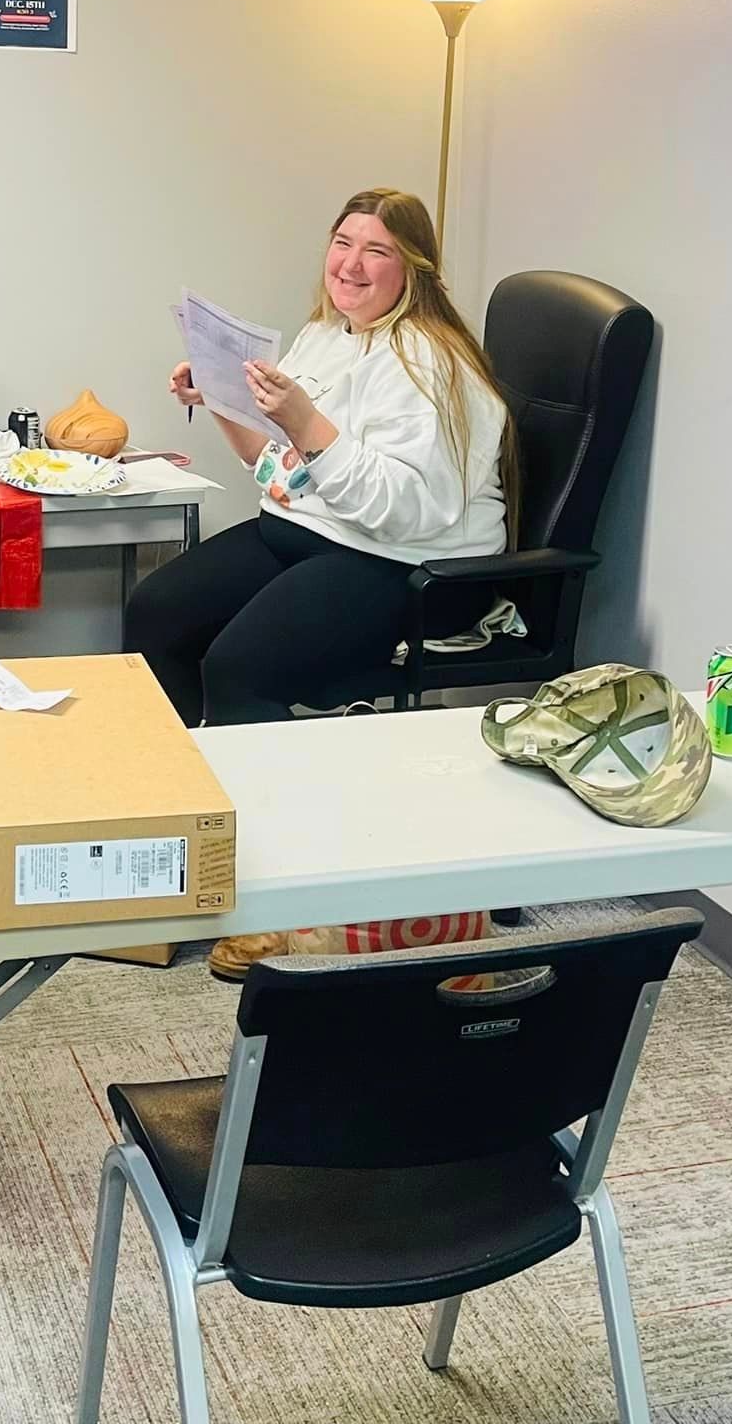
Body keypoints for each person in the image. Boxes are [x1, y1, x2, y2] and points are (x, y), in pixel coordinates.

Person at [127, 186, 518, 977]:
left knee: (240, 669)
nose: (351, 264)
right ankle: (184, 841)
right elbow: (281, 470)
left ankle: (285, 899)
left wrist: (306, 421)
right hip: (313, 531)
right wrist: (223, 401)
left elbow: (406, 511)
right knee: (156, 611)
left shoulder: (435, 367)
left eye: (377, 251)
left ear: (415, 269)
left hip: (405, 563)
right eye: (344, 243)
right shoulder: (325, 336)